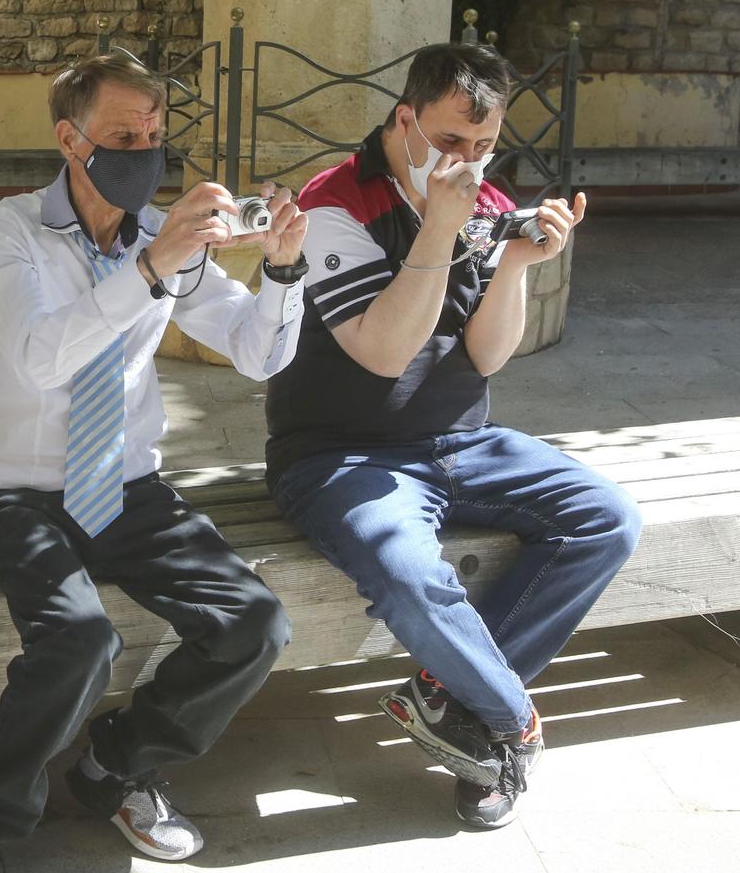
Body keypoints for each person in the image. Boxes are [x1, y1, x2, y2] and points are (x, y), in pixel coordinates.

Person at [0, 51, 308, 873]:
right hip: (19, 485)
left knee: (254, 621)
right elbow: (36, 353)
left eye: (155, 133)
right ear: (70, 138)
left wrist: (281, 272)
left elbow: (257, 355)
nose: (145, 150)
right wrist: (148, 271)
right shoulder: (5, 231)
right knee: (77, 640)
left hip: (124, 478)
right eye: (123, 135)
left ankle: (117, 764)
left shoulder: (158, 237)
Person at [264, 42, 642, 830]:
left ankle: (449, 701)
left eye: (483, 146)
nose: (467, 165)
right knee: (409, 573)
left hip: (462, 439)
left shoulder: (486, 197)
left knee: (606, 517)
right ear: (405, 120)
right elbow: (382, 351)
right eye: (448, 143)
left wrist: (517, 263)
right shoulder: (332, 202)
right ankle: (509, 722)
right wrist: (441, 228)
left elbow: (488, 354)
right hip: (344, 452)